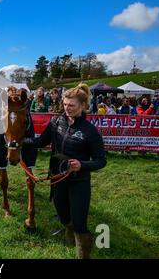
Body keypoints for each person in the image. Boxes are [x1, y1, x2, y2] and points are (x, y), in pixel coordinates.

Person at [23, 83, 107, 259]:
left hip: (79, 181)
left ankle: (82, 251)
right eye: (65, 104)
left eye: (72, 105)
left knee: (79, 222)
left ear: (83, 106)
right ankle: (69, 230)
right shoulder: (56, 122)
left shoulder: (90, 131)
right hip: (57, 178)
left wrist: (82, 165)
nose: (67, 109)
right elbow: (40, 142)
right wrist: (19, 141)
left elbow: (101, 161)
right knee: (63, 217)